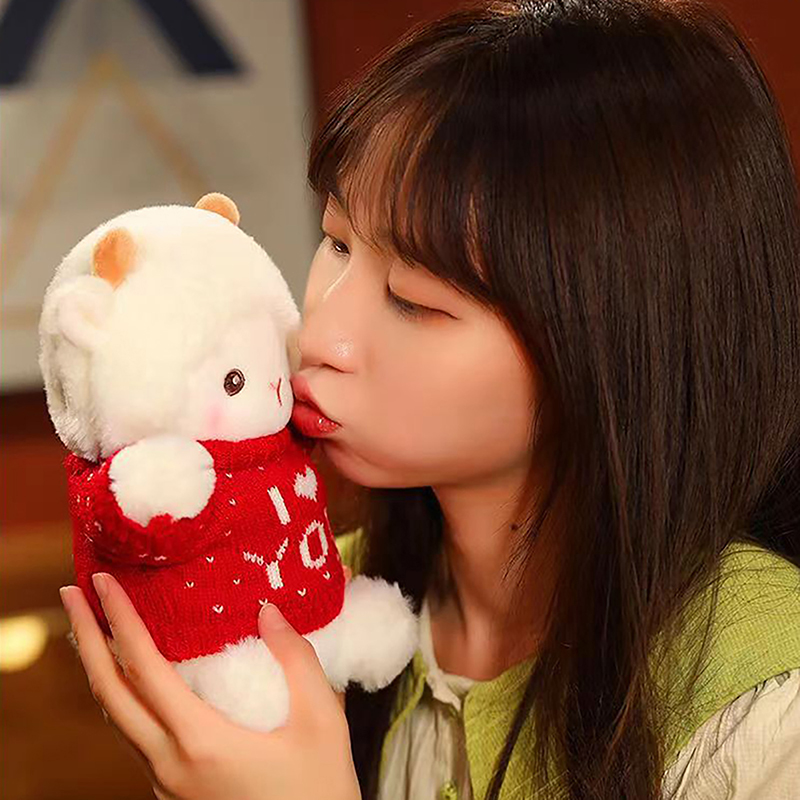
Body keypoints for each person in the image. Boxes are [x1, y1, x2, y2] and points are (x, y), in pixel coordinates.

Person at [58, 0, 800, 798]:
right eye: (336, 240)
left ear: (615, 338)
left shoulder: (764, 705)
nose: (322, 334)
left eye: (414, 300)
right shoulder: (304, 597)